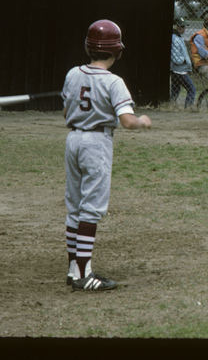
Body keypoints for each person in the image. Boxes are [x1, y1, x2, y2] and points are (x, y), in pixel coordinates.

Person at [62, 20, 152, 291]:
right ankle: (83, 275)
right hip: (97, 142)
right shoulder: (114, 82)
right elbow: (127, 121)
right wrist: (142, 121)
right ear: (117, 51)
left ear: (88, 47)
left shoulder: (73, 74)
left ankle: (75, 269)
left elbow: (66, 112)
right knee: (91, 207)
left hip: (73, 139)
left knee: (75, 206)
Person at [170, 17, 196, 109]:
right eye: (182, 27)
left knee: (175, 90)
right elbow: (176, 57)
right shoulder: (175, 38)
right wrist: (183, 60)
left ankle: (169, 105)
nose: (184, 28)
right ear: (177, 27)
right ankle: (188, 108)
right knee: (191, 89)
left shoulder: (177, 37)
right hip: (179, 70)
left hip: (177, 69)